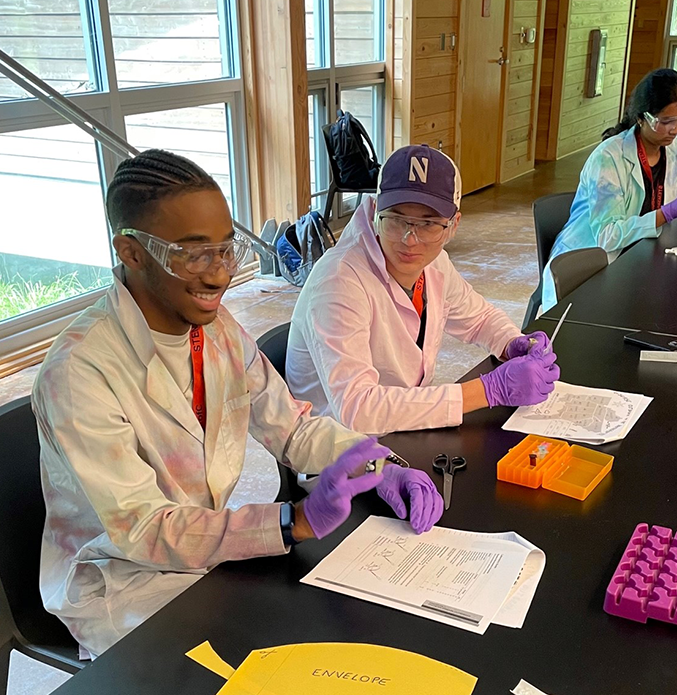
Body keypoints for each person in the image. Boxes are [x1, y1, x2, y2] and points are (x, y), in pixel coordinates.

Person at [32, 150, 443, 658]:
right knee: (288, 655)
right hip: (122, 584)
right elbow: (142, 529)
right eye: (192, 253)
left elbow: (291, 428)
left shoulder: (217, 330)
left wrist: (381, 465)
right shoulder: (79, 372)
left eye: (226, 250)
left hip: (203, 550)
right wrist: (292, 522)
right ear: (131, 251)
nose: (217, 275)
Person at [286, 144, 560, 436]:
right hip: (340, 454)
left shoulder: (434, 263)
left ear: (453, 225)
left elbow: (478, 318)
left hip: (398, 432)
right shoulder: (339, 282)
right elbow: (358, 408)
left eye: (428, 224)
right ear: (376, 211)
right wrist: (489, 390)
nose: (410, 239)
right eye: (396, 219)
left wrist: (511, 342)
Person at [540, 69, 677, 313]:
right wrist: (666, 213)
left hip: (643, 258)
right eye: (665, 122)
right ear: (642, 118)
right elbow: (607, 236)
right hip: (590, 265)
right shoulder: (609, 158)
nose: (675, 129)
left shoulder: (675, 153)